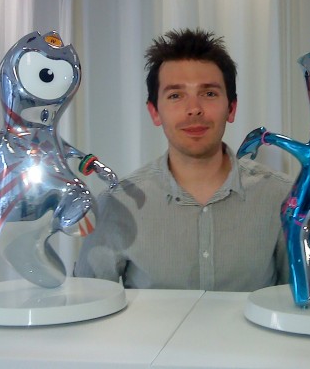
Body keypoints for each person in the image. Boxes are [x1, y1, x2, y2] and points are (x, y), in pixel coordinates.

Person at [75, 28, 292, 291]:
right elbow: (87, 306)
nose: (194, 109)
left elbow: (304, 304)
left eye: (209, 93)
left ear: (231, 108)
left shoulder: (281, 197)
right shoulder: (118, 203)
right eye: (176, 95)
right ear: (155, 112)